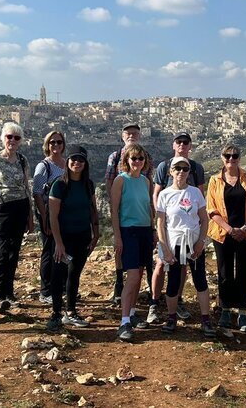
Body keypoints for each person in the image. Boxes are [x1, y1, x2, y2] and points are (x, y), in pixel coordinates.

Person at [148, 132, 205, 324]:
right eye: (179, 141)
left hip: (187, 229)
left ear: (190, 146)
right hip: (169, 227)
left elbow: (200, 198)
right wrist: (161, 218)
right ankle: (154, 302)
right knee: (161, 264)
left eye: (185, 142)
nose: (182, 144)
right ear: (174, 145)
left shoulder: (196, 168)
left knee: (182, 268)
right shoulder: (164, 166)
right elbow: (156, 193)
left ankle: (177, 302)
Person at [155, 156, 213, 336]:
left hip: (193, 242)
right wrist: (165, 248)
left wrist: (201, 242)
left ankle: (206, 319)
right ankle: (171, 317)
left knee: (200, 280)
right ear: (171, 171)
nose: (181, 172)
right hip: (175, 243)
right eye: (177, 168)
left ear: (189, 172)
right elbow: (160, 224)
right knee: (173, 280)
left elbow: (204, 219)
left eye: (185, 169)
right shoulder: (164, 194)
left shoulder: (195, 193)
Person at [206, 144, 246, 333]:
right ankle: (226, 310)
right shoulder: (214, 180)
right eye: (227, 156)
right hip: (223, 234)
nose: (231, 159)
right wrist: (230, 230)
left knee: (244, 272)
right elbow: (211, 210)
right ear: (222, 158)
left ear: (239, 157)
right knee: (224, 273)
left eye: (234, 155)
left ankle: (243, 312)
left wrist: (244, 228)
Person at [46, 145, 100, 332]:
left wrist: (96, 233)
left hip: (82, 235)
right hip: (63, 237)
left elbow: (92, 209)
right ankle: (55, 314)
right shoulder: (59, 185)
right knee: (58, 274)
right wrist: (58, 243)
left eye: (81, 160)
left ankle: (70, 311)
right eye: (74, 159)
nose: (77, 163)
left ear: (85, 164)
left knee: (74, 274)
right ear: (67, 162)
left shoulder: (88, 184)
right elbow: (53, 217)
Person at [0, 122, 35, 314]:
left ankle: (9, 293)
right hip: (1, 208)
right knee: (3, 250)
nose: (12, 140)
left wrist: (30, 215)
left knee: (15, 250)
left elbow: (26, 187)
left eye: (16, 137)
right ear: (3, 138)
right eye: (9, 137)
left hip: (20, 206)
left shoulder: (22, 160)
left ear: (20, 141)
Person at [110, 143, 155, 342]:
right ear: (127, 160)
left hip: (145, 230)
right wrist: (117, 236)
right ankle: (124, 321)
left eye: (140, 158)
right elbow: (114, 210)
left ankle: (133, 312)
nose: (137, 161)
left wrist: (153, 230)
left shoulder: (145, 181)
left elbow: (149, 207)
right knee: (133, 275)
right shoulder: (121, 180)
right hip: (128, 231)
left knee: (140, 274)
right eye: (134, 158)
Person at [105, 123, 154, 305]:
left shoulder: (146, 156)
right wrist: (114, 202)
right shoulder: (115, 156)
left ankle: (145, 288)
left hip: (141, 210)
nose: (131, 135)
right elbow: (109, 179)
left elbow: (149, 179)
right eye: (128, 133)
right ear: (122, 136)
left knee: (142, 257)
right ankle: (120, 282)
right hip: (123, 207)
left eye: (135, 133)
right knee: (120, 248)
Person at [32, 131, 67, 305]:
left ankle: (62, 287)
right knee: (49, 250)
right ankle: (46, 290)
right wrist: (45, 217)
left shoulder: (67, 164)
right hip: (48, 213)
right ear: (47, 145)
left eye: (59, 142)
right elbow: (37, 193)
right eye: (52, 142)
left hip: (65, 214)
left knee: (63, 249)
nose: (56, 145)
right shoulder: (43, 166)